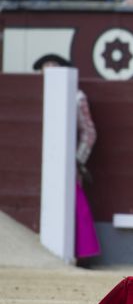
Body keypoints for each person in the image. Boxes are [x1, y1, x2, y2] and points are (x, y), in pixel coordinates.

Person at [31, 52, 99, 261]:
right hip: (40, 164)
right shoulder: (32, 94)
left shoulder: (76, 96)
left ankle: (81, 254)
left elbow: (89, 131)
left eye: (53, 65)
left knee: (74, 204)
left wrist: (77, 160)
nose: (48, 70)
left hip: (65, 164)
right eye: (45, 67)